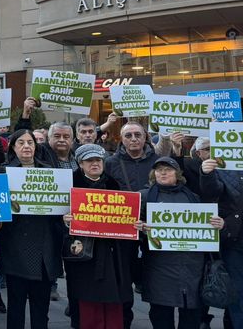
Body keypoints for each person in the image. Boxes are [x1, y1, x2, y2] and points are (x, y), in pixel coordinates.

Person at [134, 157, 224, 329]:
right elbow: (130, 228)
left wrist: (217, 224)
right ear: (153, 174)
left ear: (178, 174)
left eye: (168, 169)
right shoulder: (143, 197)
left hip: (191, 266)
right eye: (159, 169)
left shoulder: (193, 197)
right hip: (159, 266)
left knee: (191, 314)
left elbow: (205, 226)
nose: (163, 172)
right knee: (161, 314)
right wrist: (140, 228)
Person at [0, 129, 64, 329]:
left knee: (41, 307)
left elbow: (60, 207)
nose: (26, 146)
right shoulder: (2, 173)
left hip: (45, 248)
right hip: (16, 247)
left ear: (36, 146)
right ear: (13, 148)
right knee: (16, 305)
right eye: (21, 142)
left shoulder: (51, 172)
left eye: (30, 142)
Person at [201, 141, 243, 329]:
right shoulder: (223, 166)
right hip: (236, 242)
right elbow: (211, 194)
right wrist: (206, 174)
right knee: (238, 298)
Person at [63, 144, 133, 329]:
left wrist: (133, 223)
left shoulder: (114, 183)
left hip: (111, 253)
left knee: (112, 299)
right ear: (80, 164)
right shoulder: (70, 184)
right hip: (84, 254)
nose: (95, 164)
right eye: (89, 161)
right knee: (88, 301)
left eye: (98, 160)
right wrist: (66, 220)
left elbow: (124, 215)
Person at [104, 121, 160, 327]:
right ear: (122, 139)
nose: (134, 139)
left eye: (138, 134)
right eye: (128, 136)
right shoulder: (110, 162)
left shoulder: (158, 160)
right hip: (123, 231)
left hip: (152, 227)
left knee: (155, 278)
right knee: (123, 279)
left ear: (145, 137)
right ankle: (125, 320)